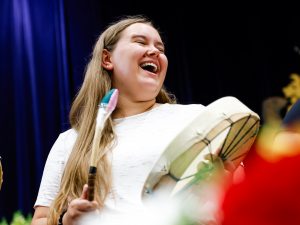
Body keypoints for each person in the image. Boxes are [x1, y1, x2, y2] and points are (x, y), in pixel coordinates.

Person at [31, 15, 246, 225]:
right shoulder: (70, 141)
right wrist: (66, 220)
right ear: (107, 59)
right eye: (140, 42)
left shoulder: (196, 118)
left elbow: (242, 197)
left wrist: (225, 189)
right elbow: (40, 220)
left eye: (161, 49)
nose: (154, 51)